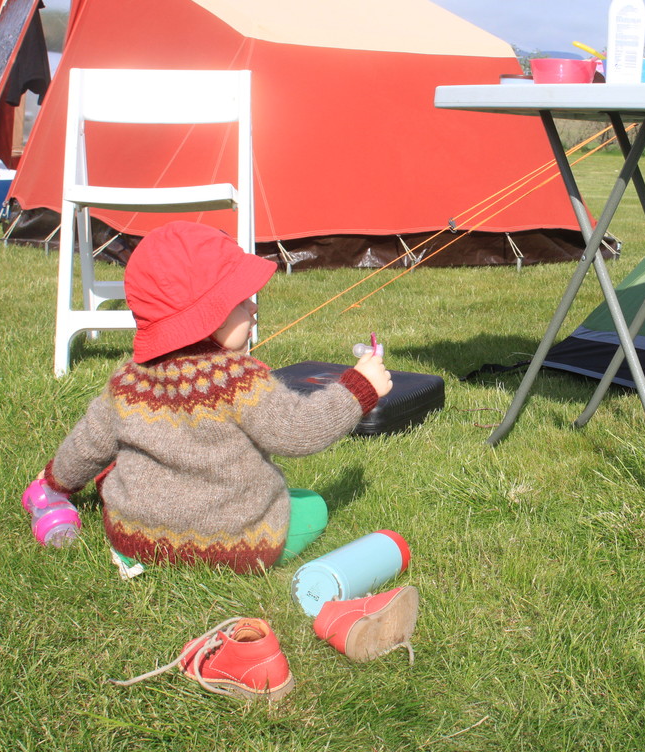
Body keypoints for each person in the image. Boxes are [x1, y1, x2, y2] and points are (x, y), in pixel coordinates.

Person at [38, 221, 393, 574]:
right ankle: (235, 550)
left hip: (137, 537)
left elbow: (87, 445)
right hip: (236, 545)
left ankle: (136, 557)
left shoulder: (127, 381)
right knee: (311, 506)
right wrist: (359, 389)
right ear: (206, 315)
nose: (253, 309)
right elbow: (298, 430)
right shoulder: (237, 379)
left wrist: (54, 482)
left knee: (121, 474)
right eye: (240, 301)